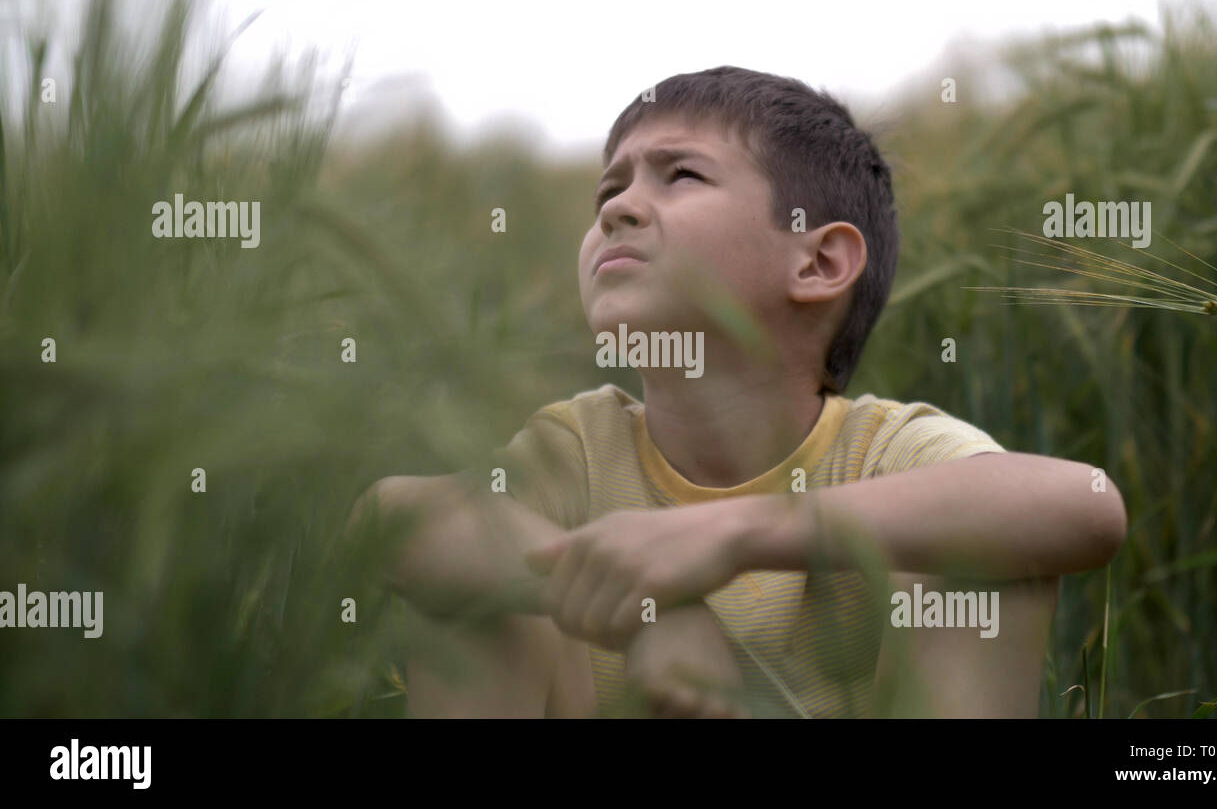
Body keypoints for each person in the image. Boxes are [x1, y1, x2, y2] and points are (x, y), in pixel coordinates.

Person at [354, 66, 1128, 718]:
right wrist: (656, 610)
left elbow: (1085, 504)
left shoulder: (882, 453)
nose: (616, 207)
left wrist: (733, 534)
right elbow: (392, 515)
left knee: (977, 568)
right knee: (472, 592)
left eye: (680, 174)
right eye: (608, 190)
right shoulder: (581, 450)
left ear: (820, 262)